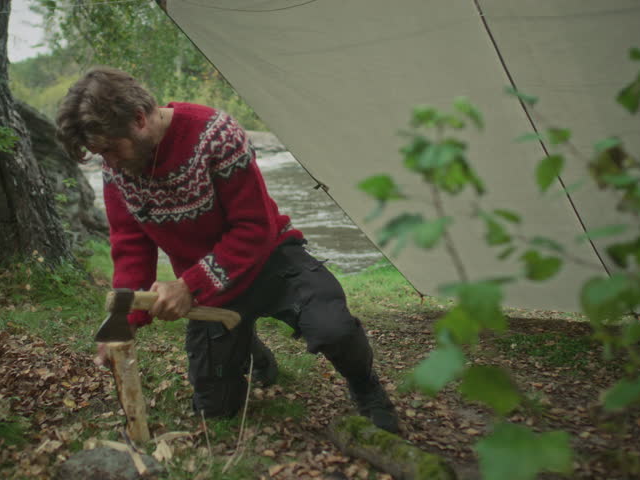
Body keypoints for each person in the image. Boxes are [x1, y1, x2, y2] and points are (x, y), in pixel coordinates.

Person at [56, 67, 398, 433]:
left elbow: (253, 229)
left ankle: (367, 388)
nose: (108, 162)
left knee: (334, 329)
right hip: (212, 290)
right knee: (215, 410)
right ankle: (251, 349)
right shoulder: (118, 168)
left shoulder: (215, 135)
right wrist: (124, 319)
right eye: (100, 154)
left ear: (139, 119)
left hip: (271, 261)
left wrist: (189, 286)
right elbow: (130, 244)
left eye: (110, 149)